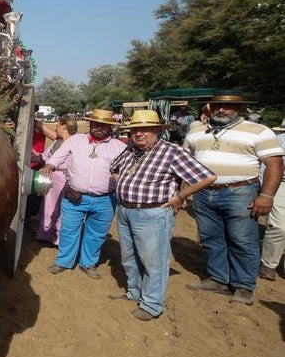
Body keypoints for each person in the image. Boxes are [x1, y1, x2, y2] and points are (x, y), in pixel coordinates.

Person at [108, 110, 216, 321]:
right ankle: (134, 292)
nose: (139, 134)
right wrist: (124, 184)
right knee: (129, 257)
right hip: (125, 210)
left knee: (153, 261)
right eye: (135, 130)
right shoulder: (130, 149)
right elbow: (114, 168)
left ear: (157, 130)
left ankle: (151, 304)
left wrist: (180, 196)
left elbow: (207, 177)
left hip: (152, 213)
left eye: (145, 130)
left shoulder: (171, 152)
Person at [184, 92, 283, 304]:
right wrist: (183, 192)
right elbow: (186, 162)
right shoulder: (196, 130)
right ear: (210, 107)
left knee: (242, 240)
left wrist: (266, 195)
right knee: (211, 238)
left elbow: (275, 165)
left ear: (239, 109)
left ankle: (243, 286)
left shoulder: (259, 131)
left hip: (240, 192)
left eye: (228, 107)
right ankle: (218, 278)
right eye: (217, 105)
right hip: (202, 193)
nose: (221, 109)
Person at [40, 108, 127, 278]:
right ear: (91, 124)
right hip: (75, 196)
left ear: (110, 127)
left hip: (105, 199)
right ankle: (64, 261)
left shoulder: (119, 147)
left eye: (104, 125)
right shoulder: (76, 140)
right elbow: (58, 156)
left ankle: (88, 263)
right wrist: (50, 165)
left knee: (96, 233)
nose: (99, 127)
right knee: (68, 230)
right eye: (96, 124)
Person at [35, 114, 76, 245]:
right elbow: (45, 156)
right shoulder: (56, 143)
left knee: (61, 208)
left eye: (58, 125)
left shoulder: (75, 143)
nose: (56, 128)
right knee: (48, 205)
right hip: (52, 178)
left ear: (64, 126)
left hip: (65, 179)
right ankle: (46, 234)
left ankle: (59, 238)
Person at [257, 125, 285, 281]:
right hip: (281, 184)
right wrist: (264, 191)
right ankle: (269, 264)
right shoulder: (280, 140)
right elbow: (267, 167)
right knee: (280, 227)